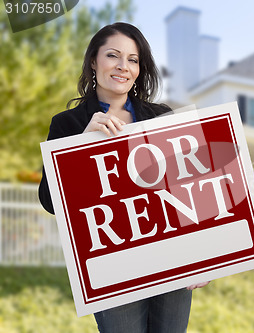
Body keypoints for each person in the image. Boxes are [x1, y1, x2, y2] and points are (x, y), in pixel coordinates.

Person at [38, 22, 208, 332]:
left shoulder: (160, 116)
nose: (123, 66)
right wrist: (80, 146)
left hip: (171, 256)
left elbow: (184, 191)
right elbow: (50, 201)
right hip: (112, 264)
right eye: (113, 56)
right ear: (94, 61)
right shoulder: (68, 123)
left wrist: (199, 258)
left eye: (132, 59)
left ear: (140, 68)